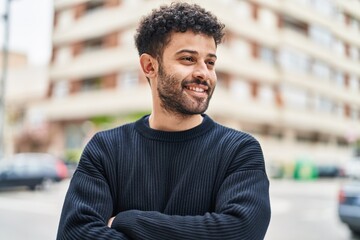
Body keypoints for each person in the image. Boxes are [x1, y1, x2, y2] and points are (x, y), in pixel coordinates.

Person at [56, 2, 271, 240]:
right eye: (188, 59)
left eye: (210, 62)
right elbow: (74, 234)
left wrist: (130, 221)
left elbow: (240, 232)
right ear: (150, 66)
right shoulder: (105, 149)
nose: (204, 73)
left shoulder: (239, 150)